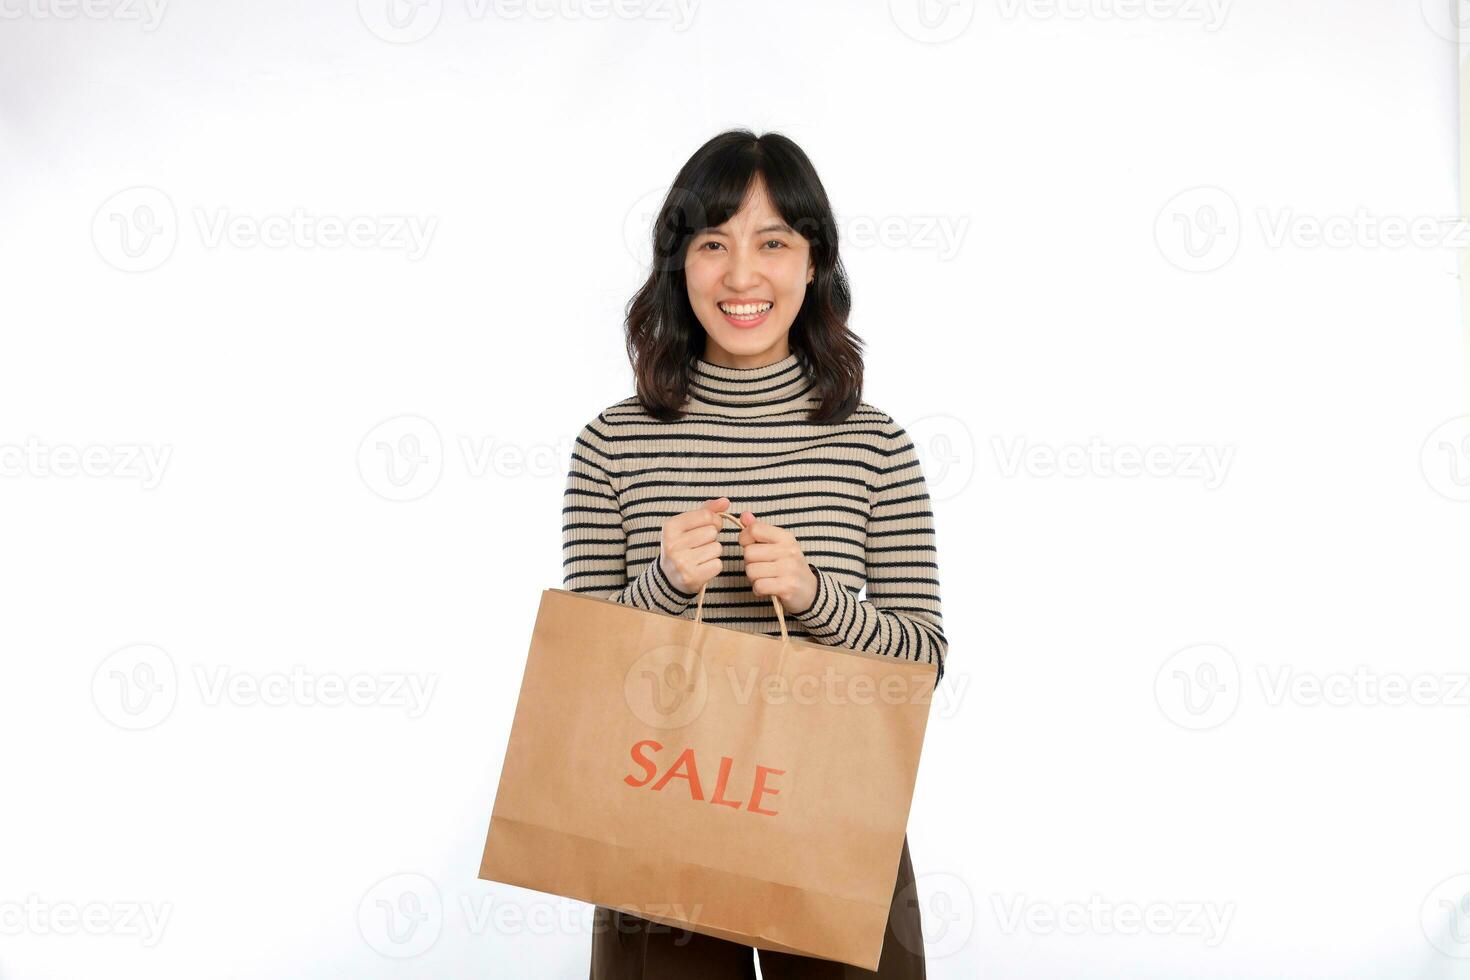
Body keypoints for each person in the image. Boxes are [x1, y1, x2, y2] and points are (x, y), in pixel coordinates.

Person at [563, 129, 946, 979]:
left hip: (837, 819)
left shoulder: (874, 446)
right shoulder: (609, 447)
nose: (743, 275)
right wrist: (663, 585)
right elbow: (577, 684)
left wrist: (816, 597)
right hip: (655, 820)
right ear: (680, 266)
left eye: (774, 242)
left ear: (814, 264)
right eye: (713, 244)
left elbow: (924, 661)